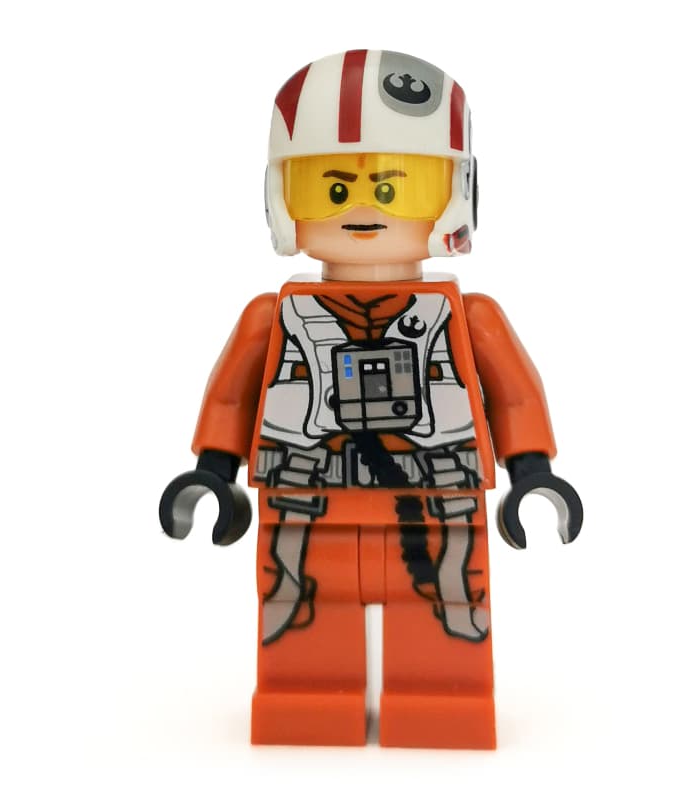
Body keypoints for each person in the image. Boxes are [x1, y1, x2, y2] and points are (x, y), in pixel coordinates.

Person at [160, 49, 582, 749]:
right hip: (305, 491)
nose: (361, 209)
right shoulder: (272, 316)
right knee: (298, 594)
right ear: (282, 199)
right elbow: (232, 398)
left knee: (448, 594)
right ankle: (305, 697)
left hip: (437, 490)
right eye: (329, 190)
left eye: (394, 190)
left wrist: (533, 473)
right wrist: (212, 473)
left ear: (456, 195)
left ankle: (441, 698)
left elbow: (513, 396)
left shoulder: (468, 315)